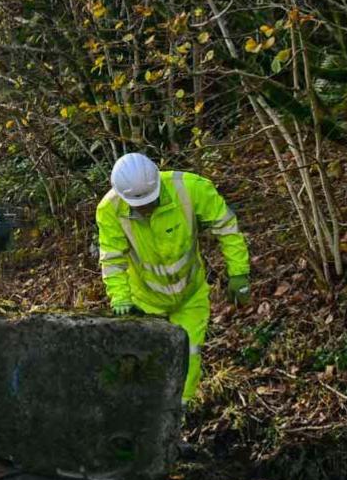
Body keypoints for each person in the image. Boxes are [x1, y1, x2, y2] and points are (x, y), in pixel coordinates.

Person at [96, 152, 251, 401]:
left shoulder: (190, 190)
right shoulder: (110, 210)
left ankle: (179, 417)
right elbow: (113, 258)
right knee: (143, 364)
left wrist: (239, 272)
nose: (146, 209)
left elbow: (227, 228)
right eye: (139, 205)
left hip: (190, 296)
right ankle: (144, 416)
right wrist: (120, 298)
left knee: (188, 357)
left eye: (150, 201)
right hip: (144, 302)